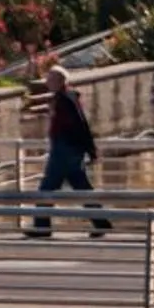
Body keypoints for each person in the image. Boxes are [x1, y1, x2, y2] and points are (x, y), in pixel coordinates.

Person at [25, 64, 109, 238]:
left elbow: (80, 125)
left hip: (65, 151)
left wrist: (91, 149)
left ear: (60, 81)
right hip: (69, 150)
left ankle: (42, 228)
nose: (47, 82)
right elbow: (81, 124)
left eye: (50, 79)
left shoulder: (66, 99)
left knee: (47, 188)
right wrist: (89, 149)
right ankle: (102, 222)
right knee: (82, 188)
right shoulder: (65, 98)